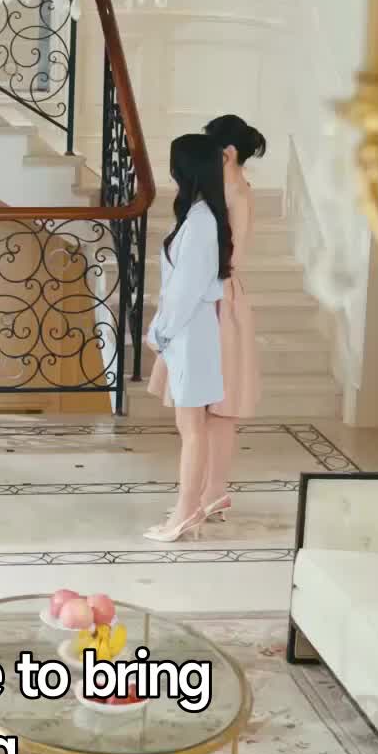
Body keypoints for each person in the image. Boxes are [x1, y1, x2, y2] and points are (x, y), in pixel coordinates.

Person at [144, 132, 233, 543]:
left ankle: (186, 511)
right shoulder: (199, 216)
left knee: (192, 426)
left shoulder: (200, 221)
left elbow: (185, 289)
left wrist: (160, 331)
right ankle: (189, 506)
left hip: (190, 331)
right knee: (191, 424)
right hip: (189, 330)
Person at [200, 114, 264, 520]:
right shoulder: (230, 189)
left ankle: (214, 491)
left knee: (219, 409)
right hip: (218, 296)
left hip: (221, 298)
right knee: (209, 410)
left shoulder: (235, 191)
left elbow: (230, 256)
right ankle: (207, 491)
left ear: (227, 151)